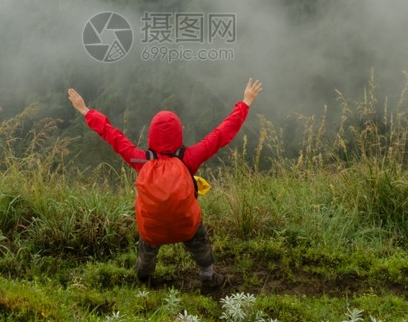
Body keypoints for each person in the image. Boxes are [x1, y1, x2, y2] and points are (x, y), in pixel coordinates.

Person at [67, 78, 263, 292]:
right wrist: (245, 102)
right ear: (179, 133)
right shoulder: (189, 158)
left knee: (146, 251)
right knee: (201, 243)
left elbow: (113, 135)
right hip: (186, 225)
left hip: (152, 228)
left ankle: (143, 281)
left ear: (151, 135)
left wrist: (86, 110)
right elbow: (221, 134)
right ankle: (208, 279)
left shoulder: (141, 160)